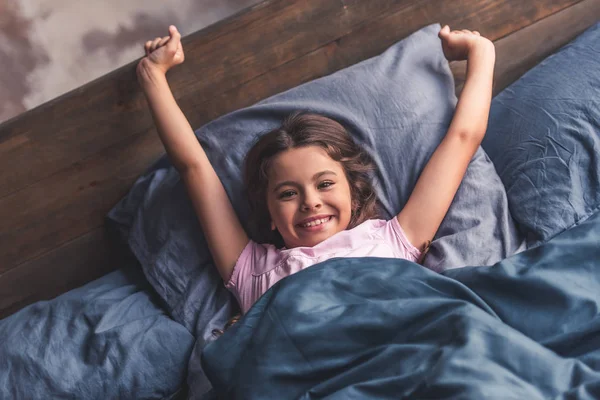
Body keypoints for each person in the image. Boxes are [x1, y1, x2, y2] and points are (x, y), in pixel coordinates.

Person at [137, 24, 496, 316]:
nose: (310, 202)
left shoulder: (393, 240)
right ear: (271, 215)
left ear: (353, 194)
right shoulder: (252, 271)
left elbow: (463, 139)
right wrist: (152, 74)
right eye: (288, 193)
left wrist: (482, 53)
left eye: (324, 184)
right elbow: (193, 167)